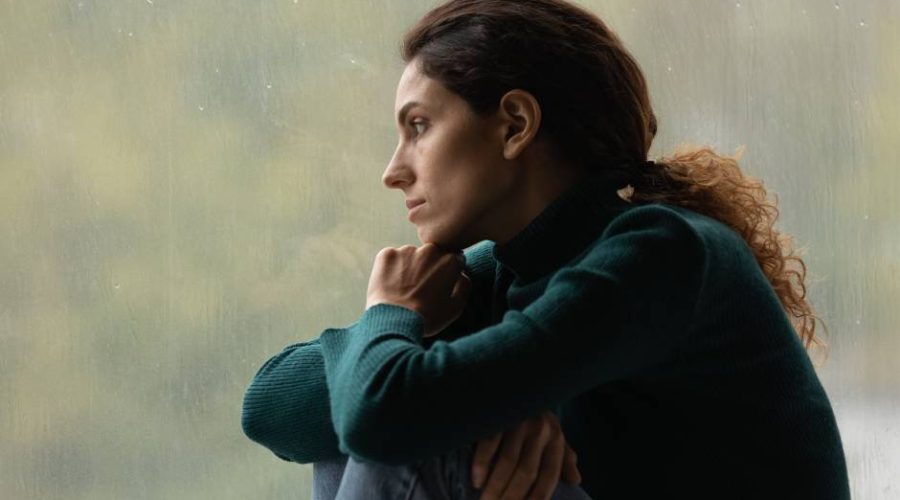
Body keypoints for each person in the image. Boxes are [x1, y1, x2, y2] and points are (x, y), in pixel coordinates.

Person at [241, 0, 851, 498]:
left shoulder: (661, 253)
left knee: (413, 434)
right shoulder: (505, 271)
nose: (393, 171)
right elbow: (268, 407)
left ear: (514, 125)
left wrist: (389, 314)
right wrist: (474, 382)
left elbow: (382, 419)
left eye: (419, 126)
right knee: (369, 422)